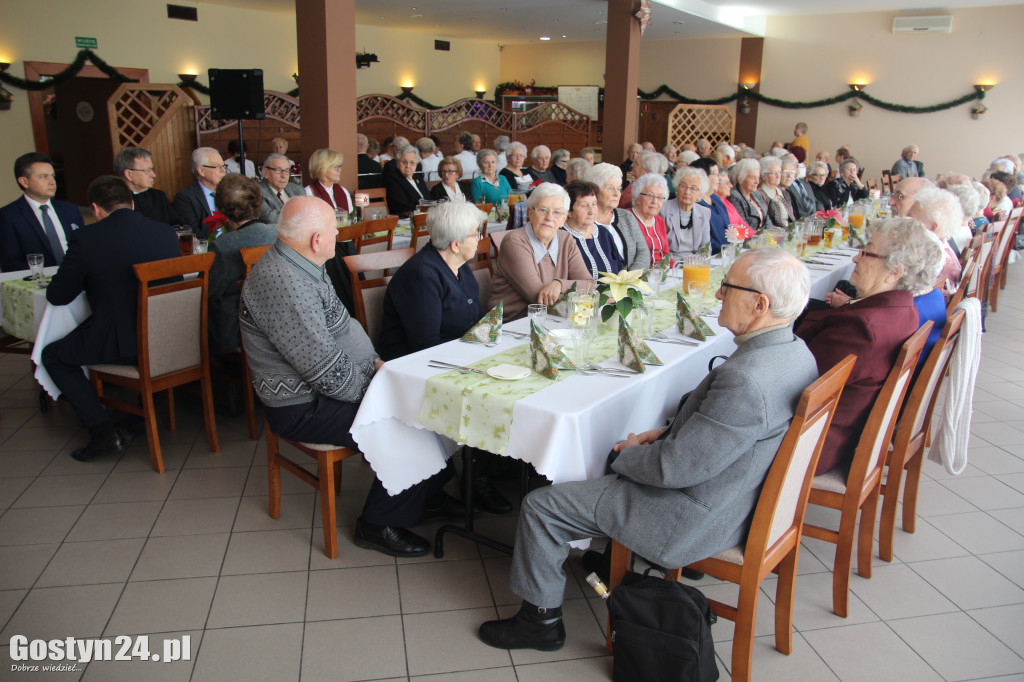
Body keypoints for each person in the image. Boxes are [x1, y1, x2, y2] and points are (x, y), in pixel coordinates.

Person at [478, 248, 818, 651]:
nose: (718, 293)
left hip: (692, 515)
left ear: (760, 304)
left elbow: (675, 470)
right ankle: (603, 557)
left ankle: (539, 621)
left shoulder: (746, 380)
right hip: (737, 493)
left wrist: (622, 456)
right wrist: (664, 432)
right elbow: (727, 436)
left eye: (728, 286)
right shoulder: (796, 352)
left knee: (540, 506)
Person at [240, 196, 455, 557]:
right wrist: (380, 391)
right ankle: (377, 523)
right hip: (301, 405)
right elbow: (323, 371)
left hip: (326, 390)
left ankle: (424, 492)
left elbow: (342, 327)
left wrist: (376, 365)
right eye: (331, 229)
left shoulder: (303, 263)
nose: (338, 233)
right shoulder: (284, 282)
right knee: (410, 421)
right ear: (316, 240)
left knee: (430, 405)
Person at [41, 176, 179, 462]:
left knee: (53, 355)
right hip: (169, 338)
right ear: (131, 202)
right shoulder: (164, 232)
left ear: (95, 209)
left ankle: (102, 431)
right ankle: (140, 414)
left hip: (125, 345)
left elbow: (58, 296)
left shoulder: (88, 239)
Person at [796, 217, 927, 475]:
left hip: (810, 444)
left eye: (866, 252)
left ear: (894, 271)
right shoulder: (904, 308)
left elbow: (795, 381)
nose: (856, 259)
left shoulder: (863, 328)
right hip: (836, 432)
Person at [378, 202, 488, 359]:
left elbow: (476, 320)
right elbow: (426, 345)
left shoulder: (460, 265)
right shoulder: (421, 276)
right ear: (456, 245)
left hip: (458, 355)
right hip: (415, 364)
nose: (480, 237)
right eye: (476, 233)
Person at [488, 183, 594, 320]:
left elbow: (589, 284)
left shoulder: (566, 239)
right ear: (530, 213)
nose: (549, 218)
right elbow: (539, 299)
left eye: (557, 212)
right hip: (513, 325)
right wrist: (576, 292)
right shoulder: (514, 242)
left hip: (553, 320)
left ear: (564, 219)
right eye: (543, 210)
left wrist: (559, 284)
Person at [208, 174, 277, 355]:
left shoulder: (223, 246)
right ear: (257, 202)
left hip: (239, 332)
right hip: (280, 323)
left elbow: (210, 292)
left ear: (222, 209)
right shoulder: (279, 233)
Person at [0, 152, 84, 271]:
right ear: (24, 182)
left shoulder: (70, 210)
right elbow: (10, 263)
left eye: (53, 176)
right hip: (37, 283)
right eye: (43, 176)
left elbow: (84, 248)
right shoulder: (8, 216)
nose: (52, 182)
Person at [584, 163, 650, 273]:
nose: (617, 194)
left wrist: (630, 277)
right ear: (594, 191)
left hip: (631, 283)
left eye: (619, 189)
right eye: (610, 188)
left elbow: (643, 251)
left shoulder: (626, 216)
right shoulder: (584, 221)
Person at [561, 181, 624, 280]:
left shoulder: (604, 233)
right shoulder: (561, 237)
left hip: (613, 293)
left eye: (594, 204)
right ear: (568, 211)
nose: (591, 211)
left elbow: (620, 266)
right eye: (584, 206)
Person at [909, 187, 964, 298]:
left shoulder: (931, 259)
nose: (906, 221)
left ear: (932, 227)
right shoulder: (946, 247)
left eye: (912, 218)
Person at [174, 147, 227, 238]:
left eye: (223, 166)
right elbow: (193, 234)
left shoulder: (229, 192)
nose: (223, 171)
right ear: (201, 171)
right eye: (217, 167)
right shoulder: (185, 198)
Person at [114, 147, 175, 224]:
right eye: (147, 171)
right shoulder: (115, 201)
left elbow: (176, 225)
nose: (153, 175)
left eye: (152, 169)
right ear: (129, 174)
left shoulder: (159, 196)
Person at [661, 166, 711, 258]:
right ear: (677, 188)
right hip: (671, 262)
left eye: (693, 188)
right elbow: (661, 248)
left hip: (694, 263)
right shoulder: (663, 209)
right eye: (683, 186)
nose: (687, 192)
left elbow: (706, 248)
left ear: (700, 194)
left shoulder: (704, 212)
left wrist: (695, 264)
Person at [629, 172, 671, 266]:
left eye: (660, 197)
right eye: (650, 196)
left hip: (661, 274)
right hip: (640, 275)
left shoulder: (660, 221)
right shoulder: (628, 219)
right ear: (638, 197)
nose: (655, 201)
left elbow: (666, 254)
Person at [689, 158, 728, 253]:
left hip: (726, 252)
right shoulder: (695, 202)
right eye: (715, 173)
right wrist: (722, 250)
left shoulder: (715, 198)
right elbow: (703, 237)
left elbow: (728, 227)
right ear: (704, 176)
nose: (719, 178)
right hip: (713, 254)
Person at [258, 153, 305, 224]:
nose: (283, 176)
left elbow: (309, 213)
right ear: (266, 173)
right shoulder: (257, 192)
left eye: (286, 171)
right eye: (278, 170)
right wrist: (300, 217)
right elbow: (270, 218)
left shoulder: (298, 190)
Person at [384, 146, 431, 218]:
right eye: (404, 162)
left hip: (425, 216)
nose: (408, 166)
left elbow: (428, 198)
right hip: (406, 219)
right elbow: (402, 205)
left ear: (416, 164)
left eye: (412, 162)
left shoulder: (417, 178)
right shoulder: (393, 179)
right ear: (398, 163)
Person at [304, 147, 353, 213]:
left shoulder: (343, 191)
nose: (339, 170)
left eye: (340, 166)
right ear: (322, 168)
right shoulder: (309, 192)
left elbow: (349, 218)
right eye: (335, 166)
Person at [729, 158, 769, 232]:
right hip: (749, 239)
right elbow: (742, 226)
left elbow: (767, 218)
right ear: (741, 179)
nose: (757, 181)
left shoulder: (756, 194)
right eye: (753, 177)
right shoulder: (734, 196)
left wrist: (771, 235)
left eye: (758, 177)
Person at [754, 156, 794, 227]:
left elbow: (791, 218)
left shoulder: (784, 193)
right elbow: (767, 223)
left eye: (779, 172)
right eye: (774, 173)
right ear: (763, 176)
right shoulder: (759, 195)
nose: (778, 176)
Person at [712, 163, 750, 234]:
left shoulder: (727, 202)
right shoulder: (712, 204)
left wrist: (758, 235)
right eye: (727, 183)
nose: (731, 186)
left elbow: (744, 226)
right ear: (716, 185)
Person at [783, 154, 816, 219]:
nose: (798, 166)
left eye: (798, 163)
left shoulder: (805, 183)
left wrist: (820, 212)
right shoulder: (787, 185)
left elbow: (816, 201)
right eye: (794, 164)